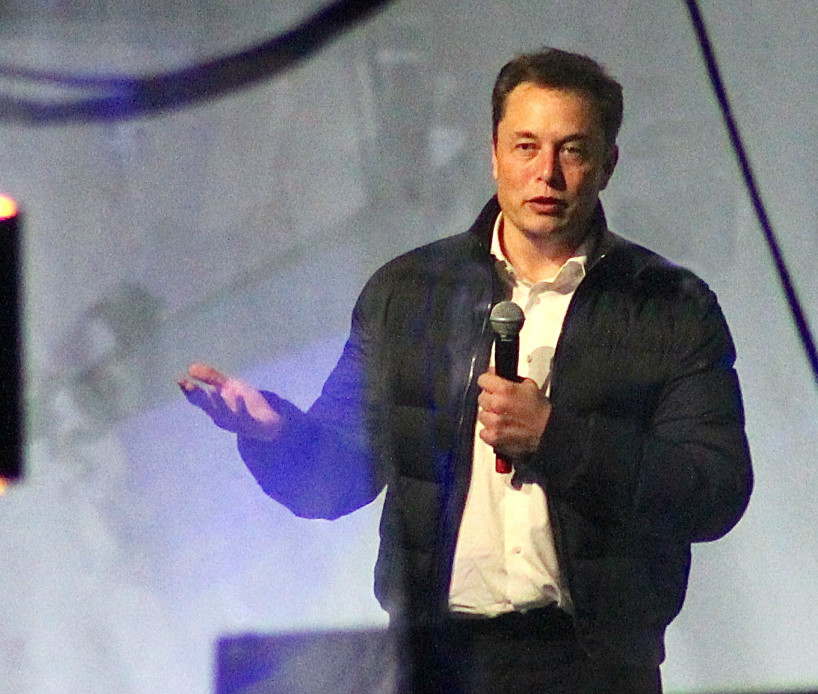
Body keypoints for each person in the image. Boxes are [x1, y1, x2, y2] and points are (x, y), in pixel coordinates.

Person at [179, 48, 753, 694]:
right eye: (526, 147)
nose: (546, 174)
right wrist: (274, 433)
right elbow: (336, 478)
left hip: (595, 666)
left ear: (607, 164)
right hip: (439, 663)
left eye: (572, 151)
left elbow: (714, 492)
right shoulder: (407, 294)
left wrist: (555, 438)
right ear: (494, 155)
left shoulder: (670, 307)